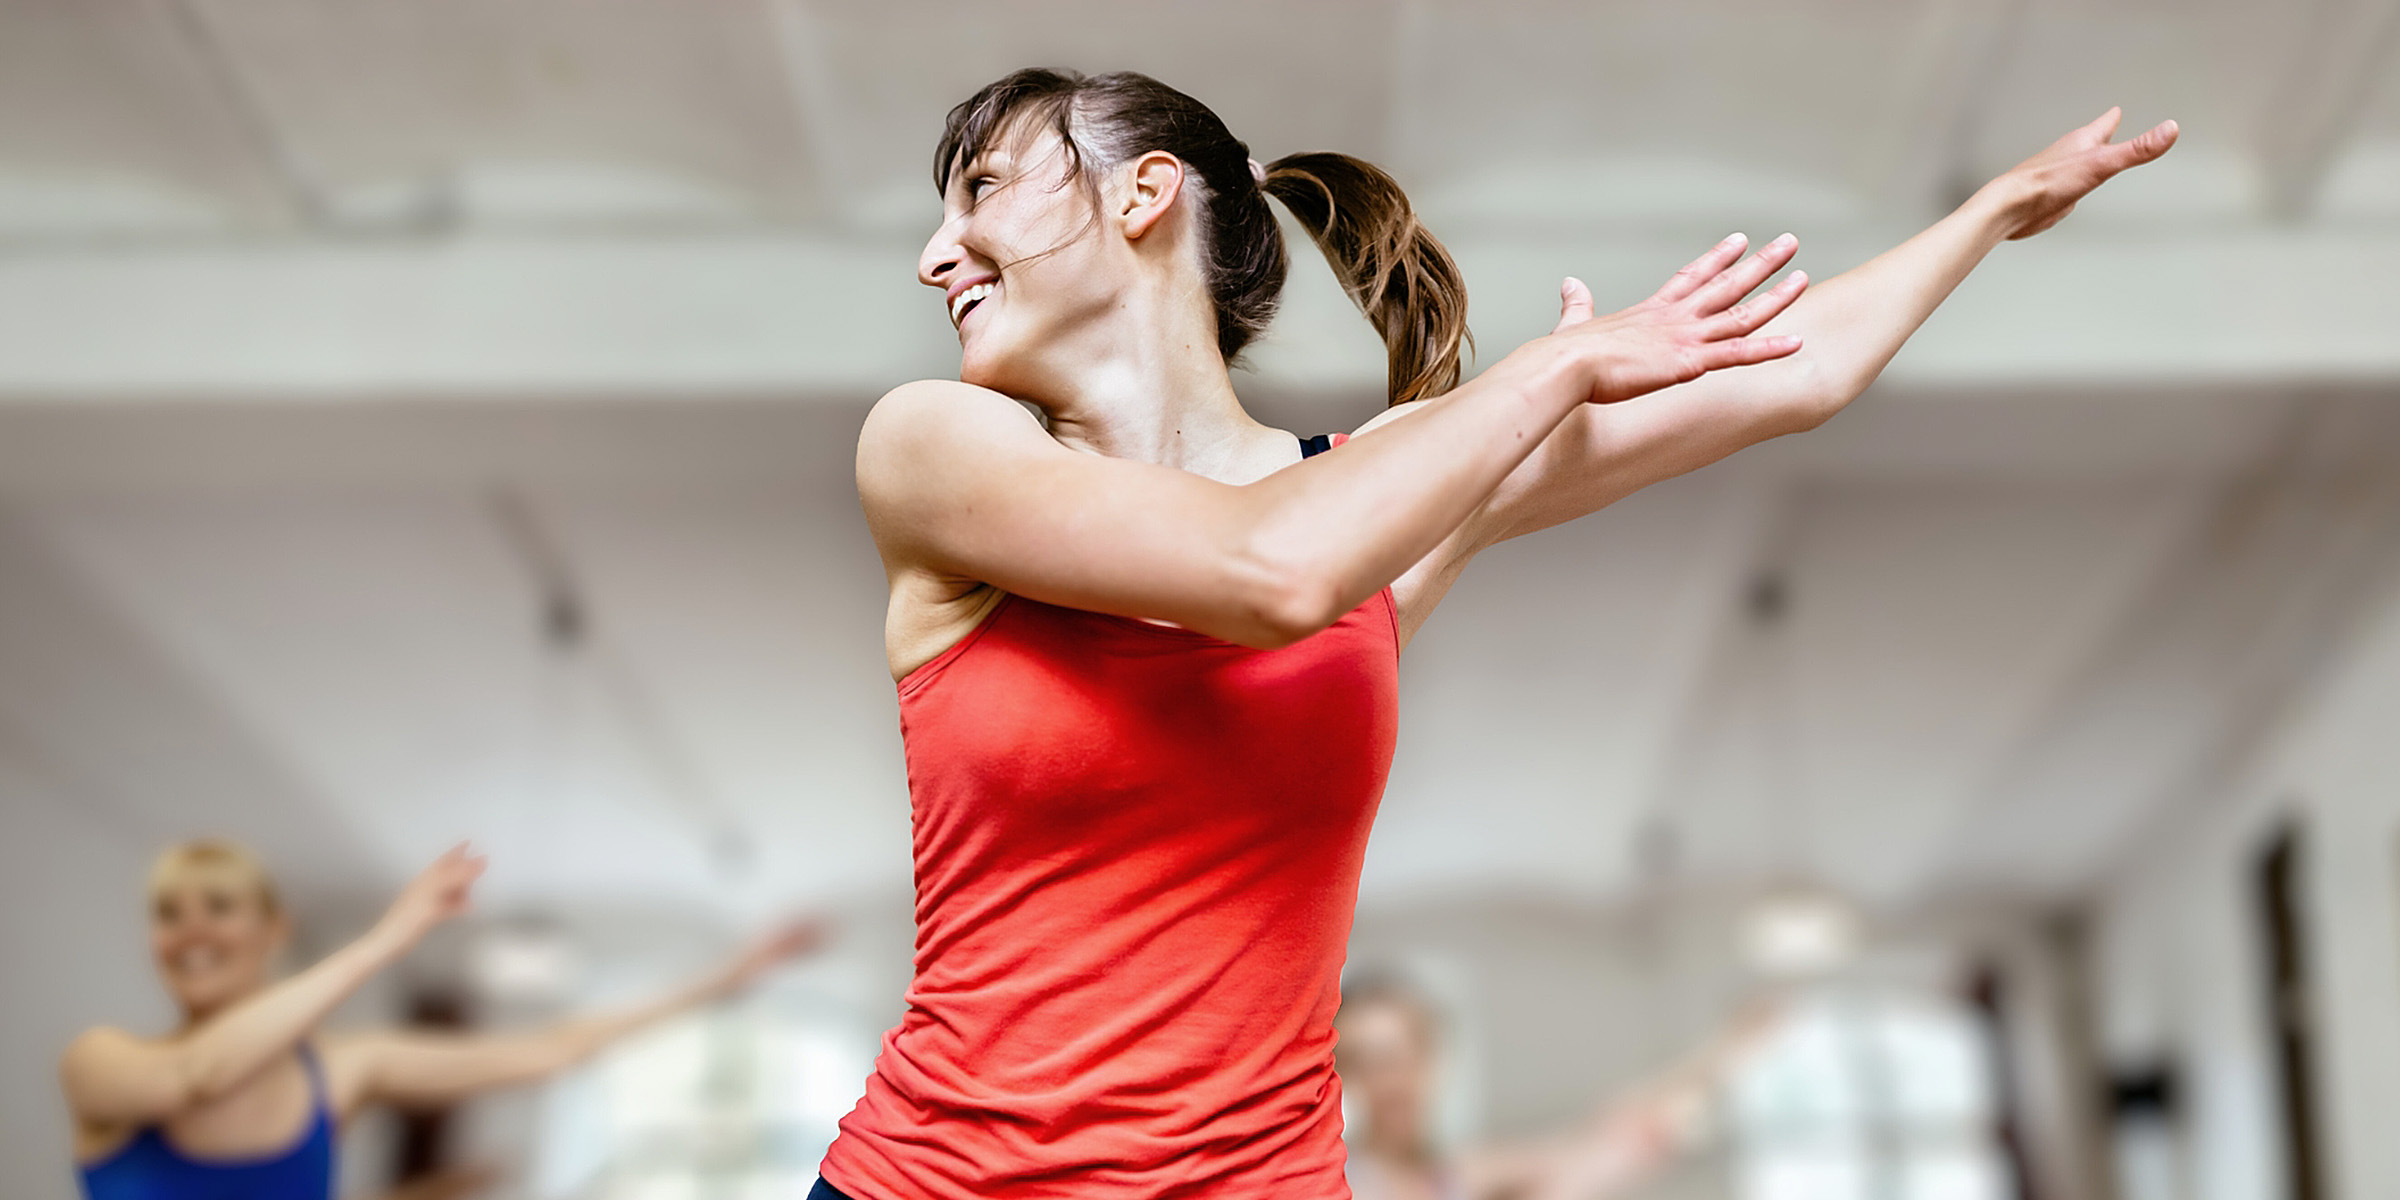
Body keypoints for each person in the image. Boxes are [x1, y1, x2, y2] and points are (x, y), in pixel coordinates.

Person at [818, 67, 2174, 1200]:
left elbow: (1799, 368)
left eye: (982, 189)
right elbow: (1269, 569)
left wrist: (1990, 213)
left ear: (1145, 191)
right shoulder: (933, 449)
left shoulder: (1392, 484)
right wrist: (1553, 368)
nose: (937, 251)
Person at [63, 839, 823, 1200]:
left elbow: (552, 1050)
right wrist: (386, 941)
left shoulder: (342, 1069)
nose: (192, 931)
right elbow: (195, 1077)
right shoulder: (101, 1061)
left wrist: (731, 976)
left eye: (219, 907)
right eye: (169, 914)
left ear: (272, 929)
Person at [1336, 971, 1778, 1200]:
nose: (1388, 1079)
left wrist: (1722, 1054)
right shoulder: (1339, 1182)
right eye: (1364, 1061)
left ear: (1433, 1058)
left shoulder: (1460, 1177)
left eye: (1402, 1054)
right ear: (1343, 1072)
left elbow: (1599, 1140)